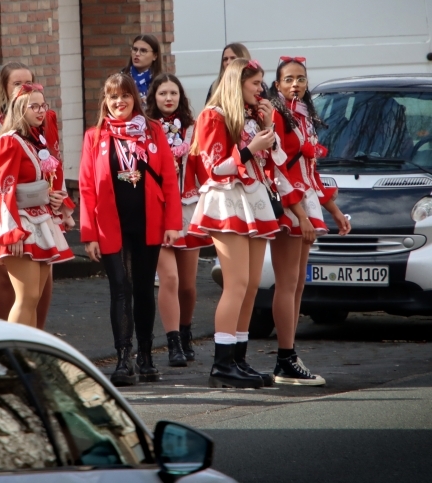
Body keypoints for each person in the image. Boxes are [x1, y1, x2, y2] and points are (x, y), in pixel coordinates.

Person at [187, 58, 284, 388]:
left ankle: (238, 360)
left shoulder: (252, 116)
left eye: (261, 83)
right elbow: (214, 168)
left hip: (253, 198)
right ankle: (222, 364)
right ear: (237, 83)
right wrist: (249, 149)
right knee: (237, 283)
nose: (261, 89)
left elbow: (274, 160)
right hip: (227, 200)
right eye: (255, 83)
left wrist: (269, 127)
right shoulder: (213, 116)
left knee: (252, 284)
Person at [80, 73, 182, 386]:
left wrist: (173, 224)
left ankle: (146, 356)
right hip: (110, 224)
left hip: (148, 221)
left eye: (125, 96)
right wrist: (89, 234)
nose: (120, 102)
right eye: (113, 97)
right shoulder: (94, 136)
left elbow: (168, 179)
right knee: (120, 288)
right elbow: (86, 187)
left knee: (143, 288)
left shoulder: (152, 131)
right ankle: (123, 358)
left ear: (134, 99)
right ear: (106, 101)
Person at [0, 62, 68, 327]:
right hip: (10, 211)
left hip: (40, 211)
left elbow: (53, 162)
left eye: (28, 82)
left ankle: (35, 339)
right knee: (19, 288)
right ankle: (11, 340)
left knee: (39, 287)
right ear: (6, 89)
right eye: (17, 84)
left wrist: (58, 198)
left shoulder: (39, 129)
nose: (40, 110)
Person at [267, 56, 351, 385]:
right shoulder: (275, 115)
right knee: (287, 283)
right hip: (289, 204)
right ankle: (285, 358)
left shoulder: (304, 116)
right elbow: (277, 169)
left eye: (300, 78)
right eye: (288, 79)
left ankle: (289, 356)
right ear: (277, 84)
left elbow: (310, 171)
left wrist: (334, 211)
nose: (295, 84)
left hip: (305, 201)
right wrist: (301, 215)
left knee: (298, 284)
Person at [145, 74, 208, 366]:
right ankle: (173, 344)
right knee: (169, 278)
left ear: (180, 96)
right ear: (154, 97)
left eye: (173, 93)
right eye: (162, 93)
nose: (168, 98)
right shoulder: (145, 129)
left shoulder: (192, 129)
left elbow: (203, 170)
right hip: (157, 211)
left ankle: (185, 332)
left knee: (187, 285)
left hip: (187, 209)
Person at [124, 34, 163, 105]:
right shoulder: (121, 79)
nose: (137, 54)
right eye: (135, 49)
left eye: (143, 51)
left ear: (155, 56)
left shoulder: (162, 82)